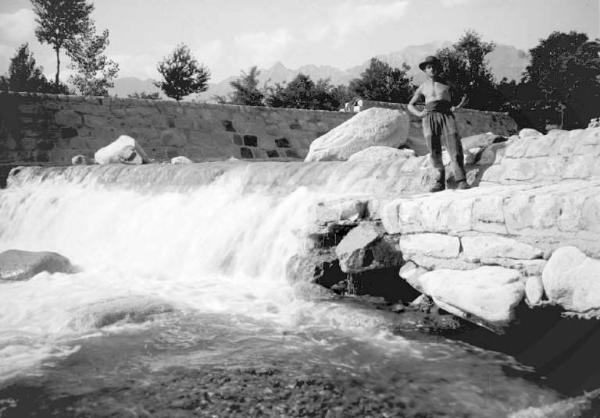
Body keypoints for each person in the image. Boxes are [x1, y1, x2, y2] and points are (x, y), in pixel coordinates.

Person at [408, 56, 469, 192]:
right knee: (434, 151)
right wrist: (419, 114)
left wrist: (457, 106)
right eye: (429, 67)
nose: (432, 69)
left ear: (438, 68)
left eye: (434, 66)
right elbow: (410, 105)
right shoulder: (423, 87)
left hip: (446, 115)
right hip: (429, 118)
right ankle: (439, 182)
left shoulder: (447, 83)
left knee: (454, 147)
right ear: (425, 70)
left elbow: (465, 95)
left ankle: (461, 180)